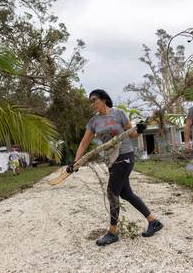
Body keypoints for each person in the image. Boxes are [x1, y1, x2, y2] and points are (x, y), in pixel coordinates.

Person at [67, 89, 163, 246]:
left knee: (112, 192)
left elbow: (131, 134)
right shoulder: (93, 122)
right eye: (90, 102)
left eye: (94, 100)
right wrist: (76, 162)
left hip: (125, 156)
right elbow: (84, 143)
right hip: (110, 160)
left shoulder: (118, 113)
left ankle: (113, 232)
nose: (92, 104)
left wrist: (139, 129)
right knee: (126, 193)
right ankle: (154, 221)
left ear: (104, 99)